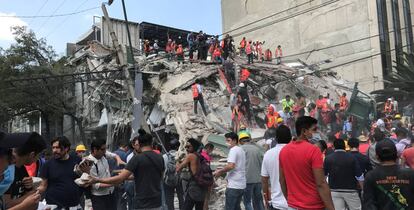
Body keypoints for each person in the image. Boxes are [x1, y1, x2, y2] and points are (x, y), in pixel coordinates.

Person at [88, 133, 165, 210]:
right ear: (151, 143)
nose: (105, 151)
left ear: (140, 144)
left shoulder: (137, 159)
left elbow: (120, 178)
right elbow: (161, 176)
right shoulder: (160, 157)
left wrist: (97, 180)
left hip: (142, 202)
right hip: (157, 201)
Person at [279, 116, 334, 210]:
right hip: (313, 206)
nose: (316, 132)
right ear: (304, 131)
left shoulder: (284, 151)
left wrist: (290, 201)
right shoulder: (314, 151)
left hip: (293, 206)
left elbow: (282, 180)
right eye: (314, 129)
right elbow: (321, 183)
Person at [362, 139, 414, 209]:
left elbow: (369, 204)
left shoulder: (371, 176)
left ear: (377, 156)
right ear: (397, 155)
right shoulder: (410, 174)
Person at [38, 136, 86, 209]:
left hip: (74, 205)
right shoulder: (47, 165)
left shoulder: (77, 160)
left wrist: (86, 171)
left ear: (66, 148)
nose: (54, 150)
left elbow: (84, 179)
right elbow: (43, 186)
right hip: (54, 206)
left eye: (58, 148)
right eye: (53, 148)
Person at [0, 131, 43, 210]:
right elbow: (6, 205)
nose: (13, 160)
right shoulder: (8, 173)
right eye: (9, 152)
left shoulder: (20, 168)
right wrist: (25, 204)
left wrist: (29, 188)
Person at [324, 139, 363, 210]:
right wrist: (362, 188)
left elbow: (324, 176)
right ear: (345, 146)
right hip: (350, 190)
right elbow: (359, 176)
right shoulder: (352, 158)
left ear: (334, 147)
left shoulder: (328, 158)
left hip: (334, 190)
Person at [214, 132, 246, 210]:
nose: (227, 143)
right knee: (236, 207)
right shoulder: (240, 150)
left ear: (235, 141)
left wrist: (219, 172)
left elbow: (231, 165)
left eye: (228, 140)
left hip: (234, 185)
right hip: (241, 184)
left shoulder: (233, 150)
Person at [261, 125, 291, 210]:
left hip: (277, 204)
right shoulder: (296, 152)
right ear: (290, 138)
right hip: (295, 204)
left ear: (276, 139)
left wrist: (267, 199)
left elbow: (264, 180)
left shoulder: (268, 154)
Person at [176, 138, 208, 210]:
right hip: (202, 187)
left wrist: (178, 159)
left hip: (194, 187)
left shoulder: (191, 156)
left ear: (194, 147)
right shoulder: (200, 156)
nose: (186, 148)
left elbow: (178, 168)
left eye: (188, 147)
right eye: (185, 147)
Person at [87, 139, 116, 210]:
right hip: (99, 197)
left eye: (105, 149)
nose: (105, 151)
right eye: (103, 149)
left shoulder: (103, 156)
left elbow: (113, 155)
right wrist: (113, 183)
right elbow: (95, 185)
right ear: (95, 150)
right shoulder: (90, 163)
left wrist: (118, 159)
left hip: (110, 193)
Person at [239, 133, 264, 210]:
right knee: (258, 201)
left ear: (240, 141)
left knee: (247, 202)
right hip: (258, 180)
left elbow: (237, 166)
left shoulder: (240, 149)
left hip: (247, 180)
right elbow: (262, 164)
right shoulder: (257, 149)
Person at [163, 139, 184, 210]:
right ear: (178, 147)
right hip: (180, 180)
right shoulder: (182, 156)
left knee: (169, 200)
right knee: (181, 198)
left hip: (168, 180)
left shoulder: (164, 156)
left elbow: (163, 169)